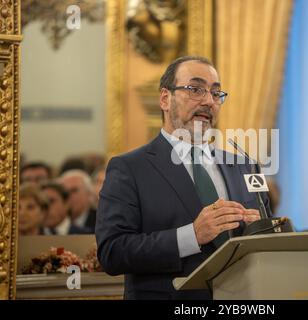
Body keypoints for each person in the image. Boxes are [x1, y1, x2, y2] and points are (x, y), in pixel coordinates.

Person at [96, 56, 270, 300]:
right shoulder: (129, 168)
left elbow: (268, 236)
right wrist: (192, 236)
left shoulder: (245, 166)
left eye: (216, 93)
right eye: (196, 90)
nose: (209, 101)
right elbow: (112, 253)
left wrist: (258, 231)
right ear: (165, 99)